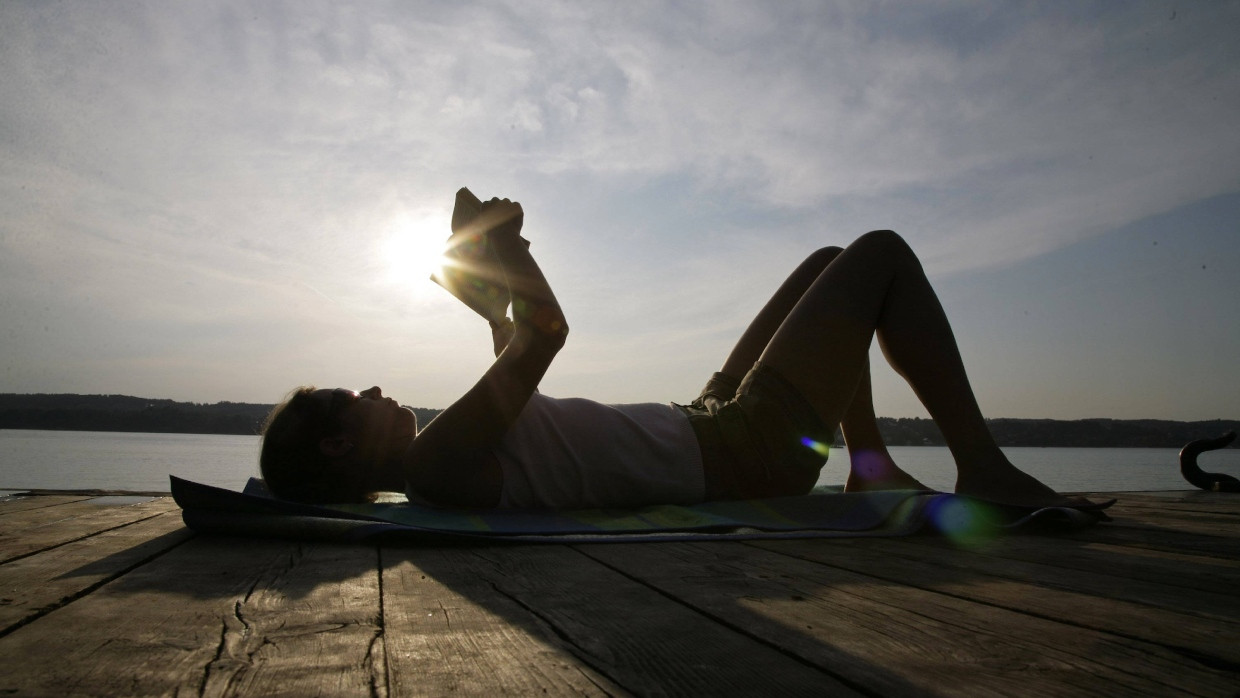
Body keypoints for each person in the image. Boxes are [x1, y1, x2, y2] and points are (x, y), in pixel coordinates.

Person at [260, 196, 1090, 511]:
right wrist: (507, 250)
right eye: (351, 394)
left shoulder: (445, 459)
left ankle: (869, 464)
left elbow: (513, 350)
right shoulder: (438, 464)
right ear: (339, 443)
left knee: (825, 267)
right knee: (879, 254)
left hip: (704, 424)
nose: (371, 386)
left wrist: (490, 270)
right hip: (739, 452)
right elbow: (544, 336)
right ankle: (980, 468)